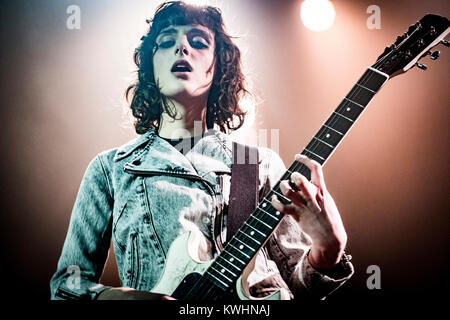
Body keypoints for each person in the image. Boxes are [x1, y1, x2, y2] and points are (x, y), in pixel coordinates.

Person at [50, 1, 353, 301]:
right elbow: (67, 286)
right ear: (149, 65)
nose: (182, 47)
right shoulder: (111, 168)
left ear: (218, 66)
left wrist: (328, 251)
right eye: (166, 42)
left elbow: (298, 287)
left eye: (198, 42)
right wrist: (125, 299)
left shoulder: (257, 164)